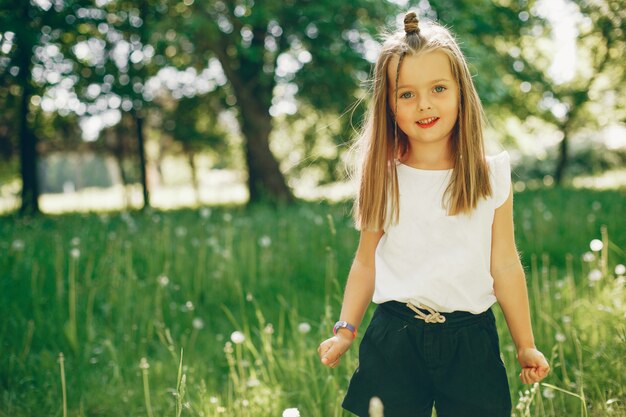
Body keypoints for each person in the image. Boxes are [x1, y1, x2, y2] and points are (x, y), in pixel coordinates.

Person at [317, 11, 550, 417]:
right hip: (395, 336)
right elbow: (365, 261)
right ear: (389, 105)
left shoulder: (489, 173)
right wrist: (346, 329)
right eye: (406, 94)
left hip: (471, 338)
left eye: (438, 88)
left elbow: (505, 264)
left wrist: (525, 342)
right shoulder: (384, 176)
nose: (424, 104)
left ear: (461, 91)